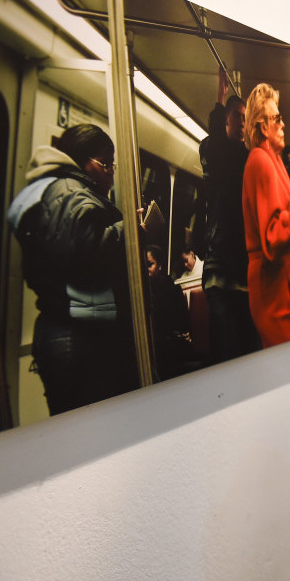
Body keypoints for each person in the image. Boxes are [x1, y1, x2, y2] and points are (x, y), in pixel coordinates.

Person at [6, 123, 139, 414]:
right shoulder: (70, 192)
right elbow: (87, 257)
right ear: (82, 161)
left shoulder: (56, 191)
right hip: (80, 337)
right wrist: (133, 231)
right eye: (106, 163)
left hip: (67, 329)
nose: (110, 172)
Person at [242, 82, 290, 347]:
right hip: (275, 294)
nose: (283, 125)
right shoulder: (260, 161)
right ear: (263, 127)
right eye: (278, 119)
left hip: (284, 287)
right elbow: (272, 239)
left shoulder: (273, 160)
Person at [199, 71, 262, 362]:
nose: (242, 122)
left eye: (245, 117)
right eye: (236, 115)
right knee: (227, 350)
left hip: (241, 266)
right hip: (219, 268)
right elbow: (215, 142)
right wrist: (219, 96)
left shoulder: (245, 158)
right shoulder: (215, 152)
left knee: (250, 347)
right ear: (225, 119)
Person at [145, 245, 193, 380]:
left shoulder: (170, 290)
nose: (146, 270)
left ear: (159, 266)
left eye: (150, 265)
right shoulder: (143, 292)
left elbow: (182, 323)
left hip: (172, 346)